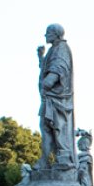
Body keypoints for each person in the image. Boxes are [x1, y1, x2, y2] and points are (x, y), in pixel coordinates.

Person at [37, 23, 75, 170]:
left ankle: (63, 157)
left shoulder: (61, 49)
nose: (45, 35)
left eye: (48, 33)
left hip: (58, 99)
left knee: (58, 127)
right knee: (46, 127)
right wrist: (41, 57)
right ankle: (45, 160)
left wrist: (48, 83)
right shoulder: (53, 49)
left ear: (56, 34)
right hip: (49, 98)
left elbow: (59, 69)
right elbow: (47, 68)